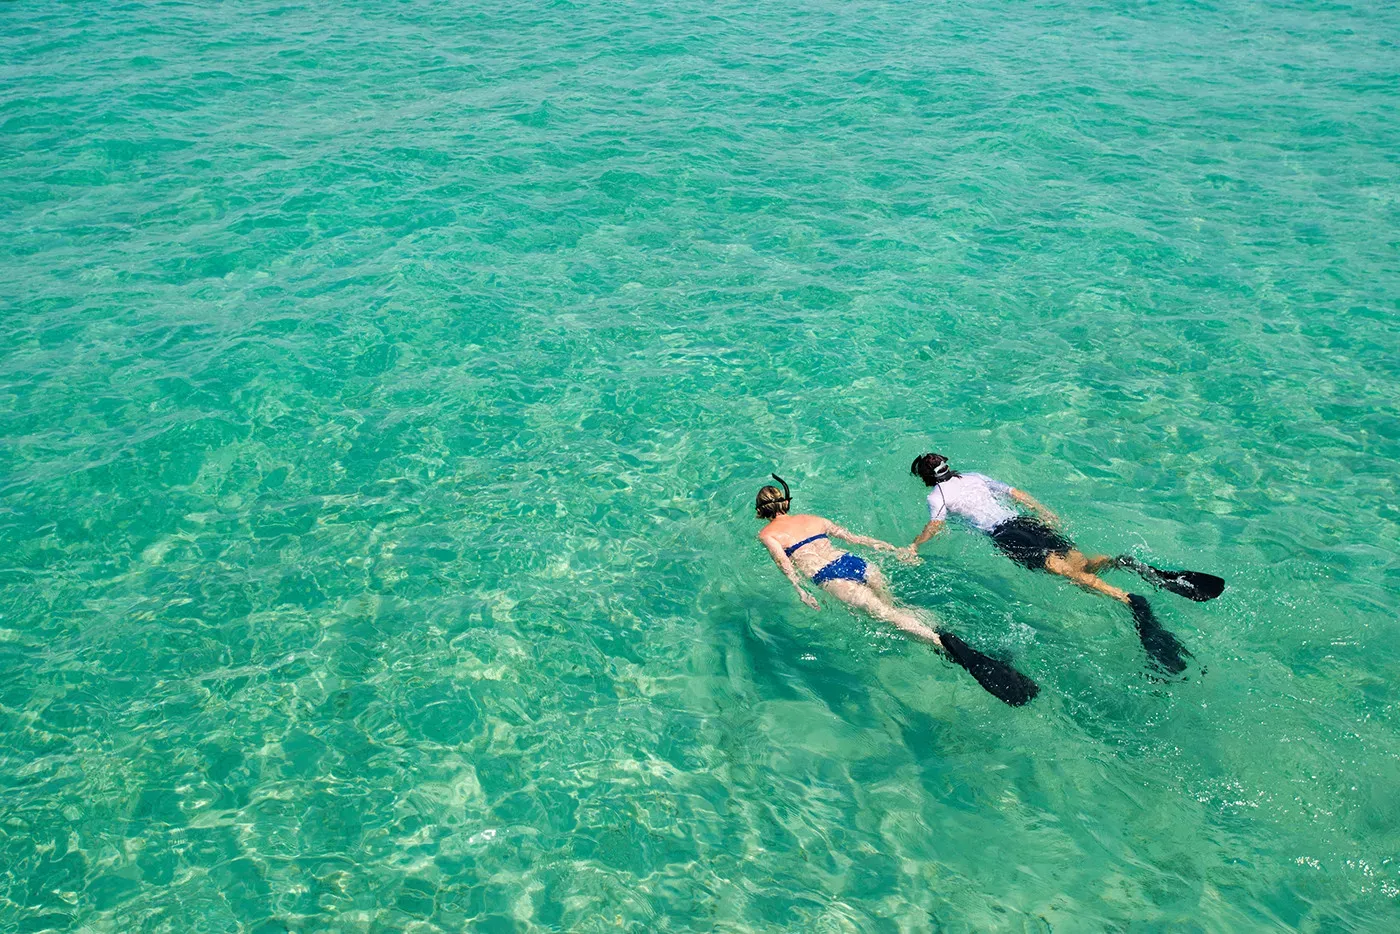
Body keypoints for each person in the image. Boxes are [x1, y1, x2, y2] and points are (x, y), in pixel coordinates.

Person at [904, 453, 1222, 675]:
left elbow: (936, 527)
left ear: (926, 478)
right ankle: (1121, 562)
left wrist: (914, 546)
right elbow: (1017, 493)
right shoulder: (975, 477)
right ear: (948, 465)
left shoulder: (936, 497)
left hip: (1007, 536)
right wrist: (1044, 512)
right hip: (1026, 522)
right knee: (1080, 563)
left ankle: (1128, 599)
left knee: (1067, 573)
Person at [755, 474, 1038, 706]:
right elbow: (856, 539)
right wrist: (891, 548)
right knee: (897, 608)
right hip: (856, 563)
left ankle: (952, 650)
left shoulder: (768, 535)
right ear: (787, 502)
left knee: (889, 618)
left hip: (829, 575)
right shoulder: (813, 519)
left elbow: (785, 563)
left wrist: (801, 590)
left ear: (761, 512)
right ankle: (946, 634)